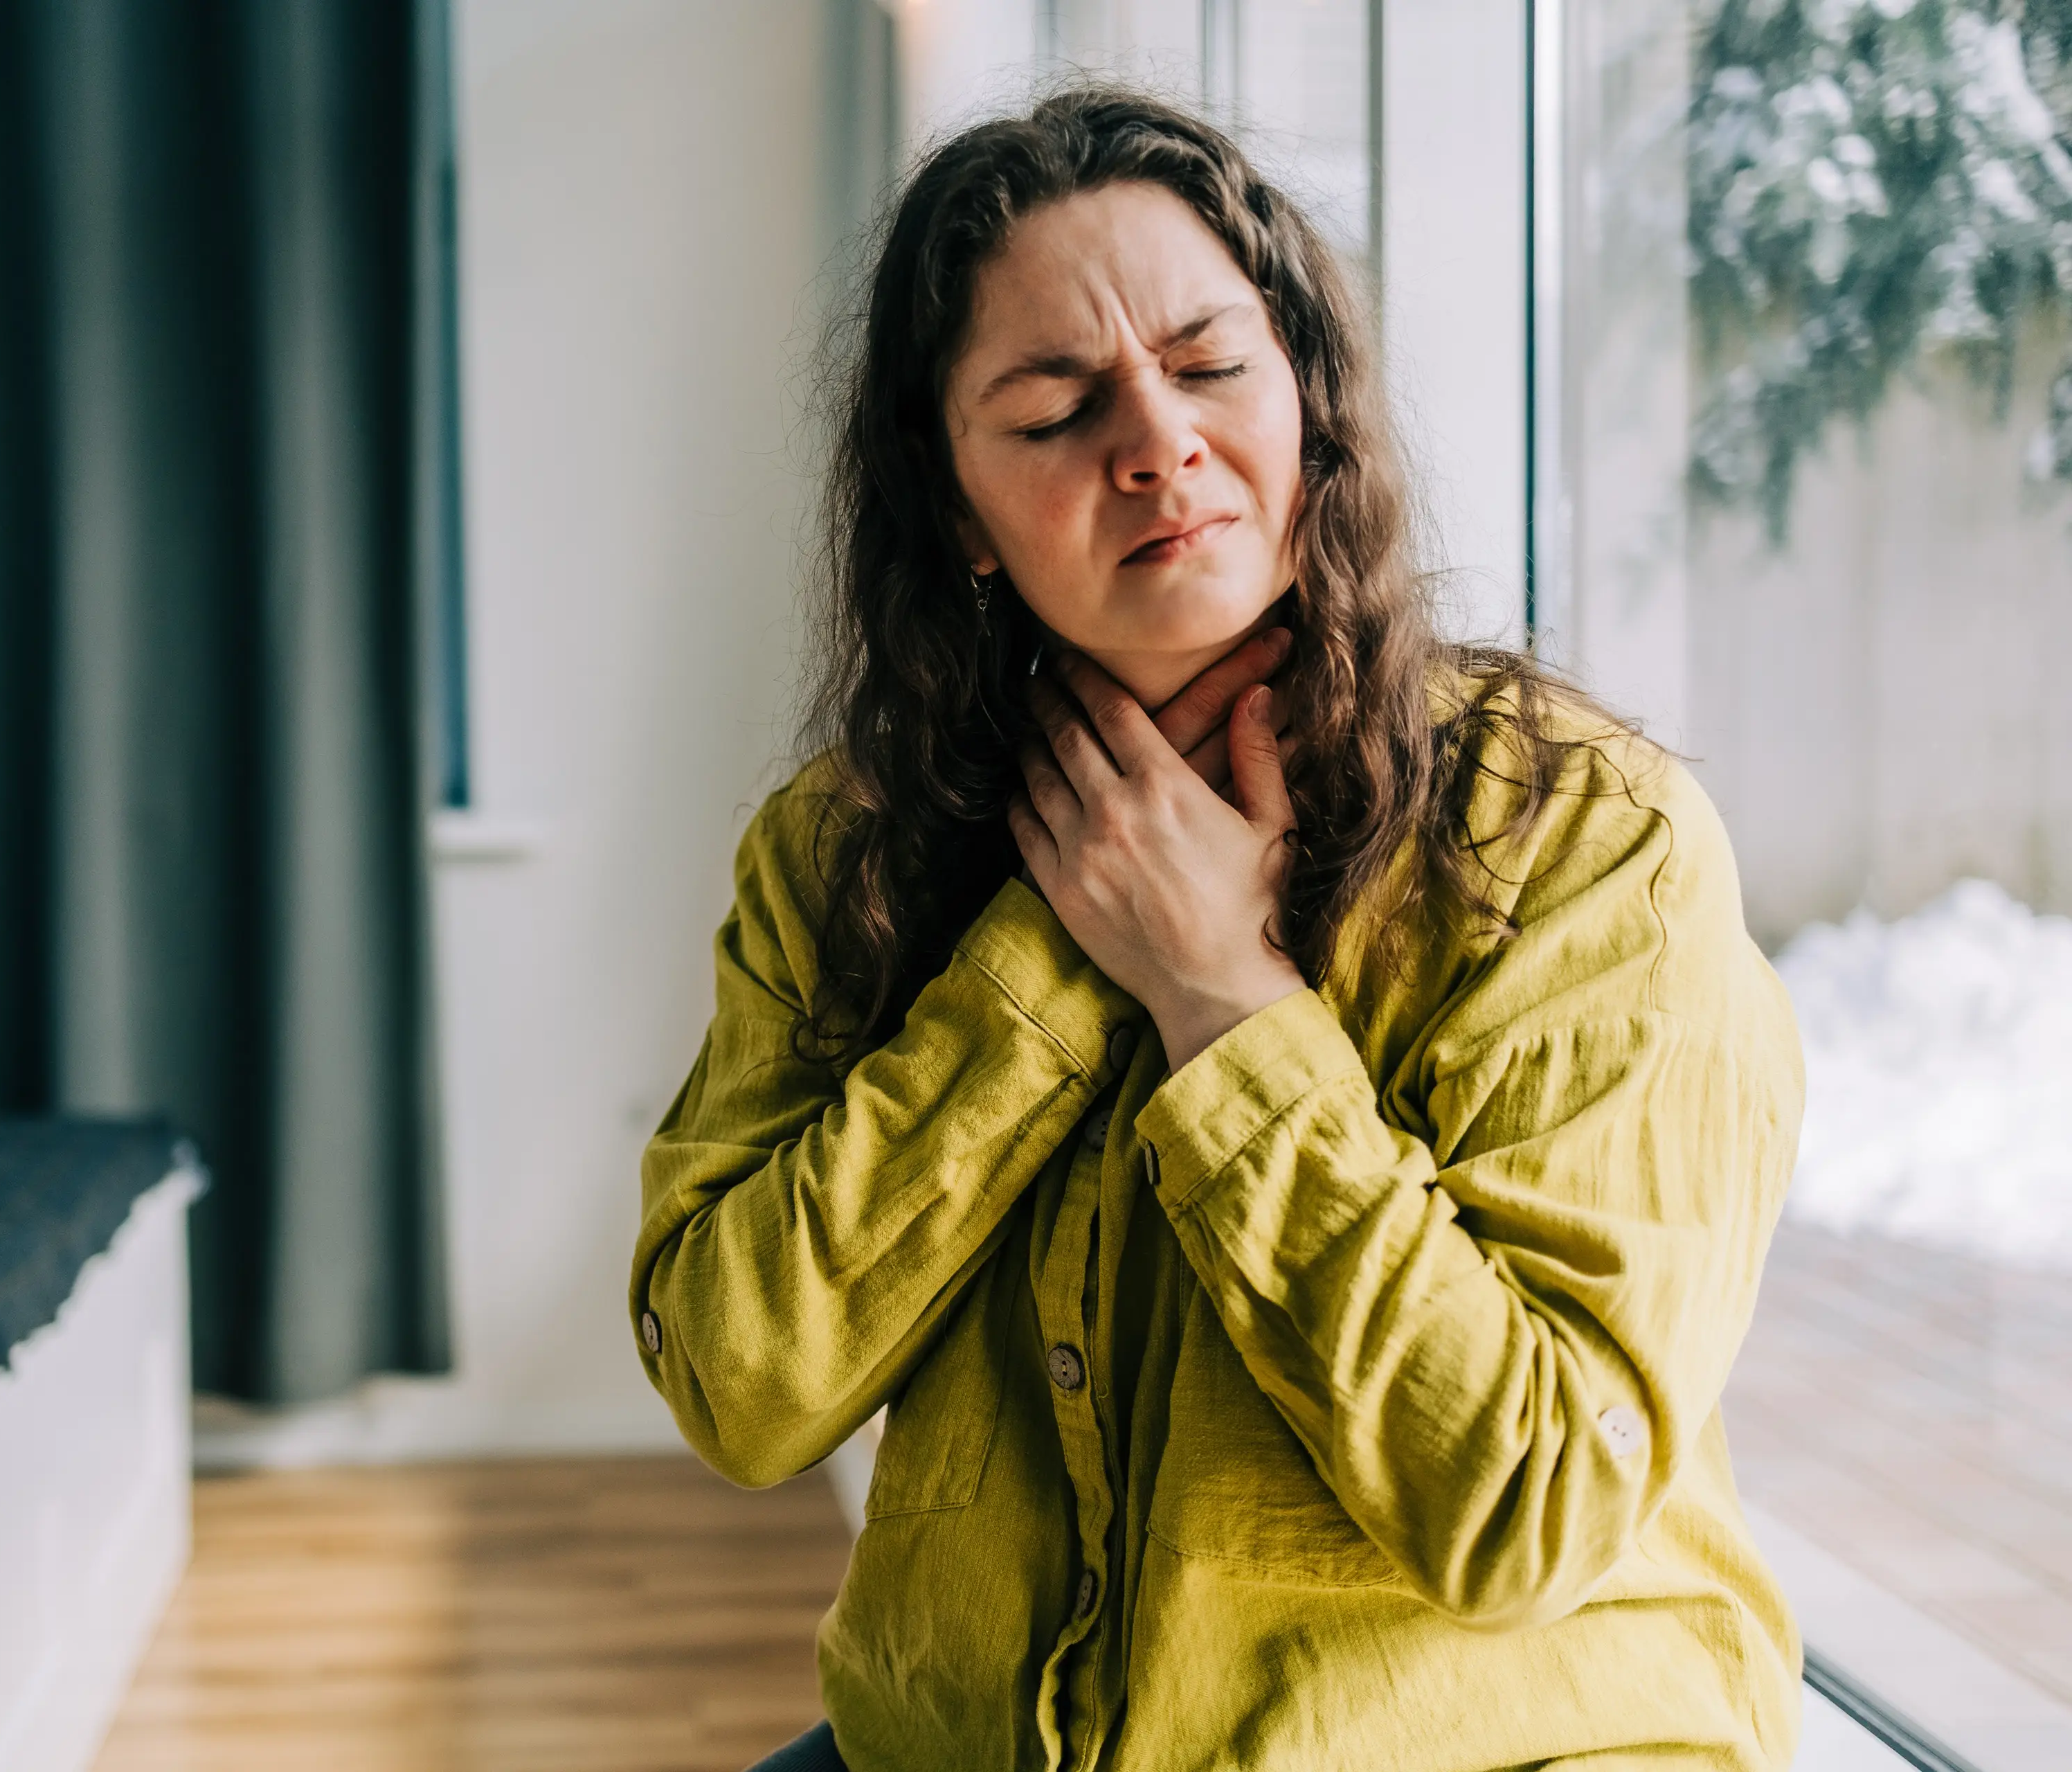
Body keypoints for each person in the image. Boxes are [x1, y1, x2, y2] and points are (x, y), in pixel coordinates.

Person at [633, 87, 1803, 1772]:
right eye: (1053, 409)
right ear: (954, 505)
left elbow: (1529, 1501)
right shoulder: (844, 851)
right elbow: (741, 1386)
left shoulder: (1585, 841)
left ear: (1311, 404)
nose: (1156, 443)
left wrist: (1223, 1003)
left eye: (1209, 365)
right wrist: (1046, 958)